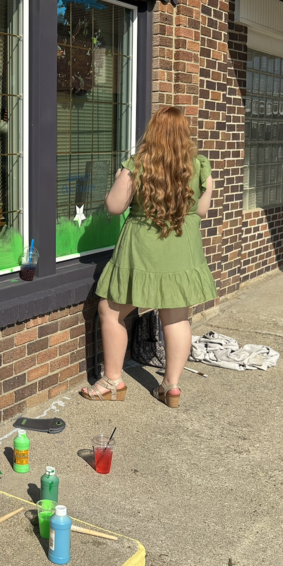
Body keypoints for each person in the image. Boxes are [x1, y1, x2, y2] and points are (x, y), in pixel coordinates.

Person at [80, 106, 218, 408]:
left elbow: (114, 207)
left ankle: (113, 381)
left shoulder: (138, 165)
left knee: (111, 309)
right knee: (177, 316)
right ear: (185, 134)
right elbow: (202, 211)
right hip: (181, 248)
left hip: (142, 251)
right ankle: (171, 387)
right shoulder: (199, 167)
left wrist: (121, 175)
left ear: (152, 132)